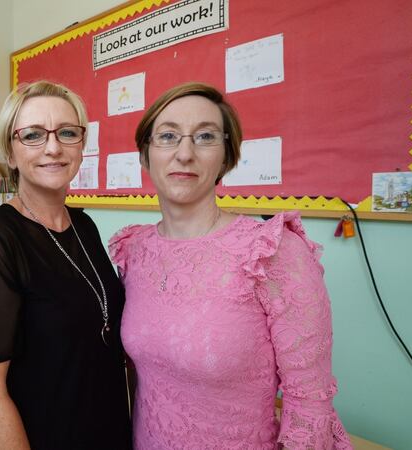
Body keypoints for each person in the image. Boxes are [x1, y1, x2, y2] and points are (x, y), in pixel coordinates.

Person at [108, 82, 352, 450]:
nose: (184, 153)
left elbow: (309, 404)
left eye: (205, 136)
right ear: (145, 156)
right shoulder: (135, 249)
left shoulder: (272, 252)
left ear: (226, 157)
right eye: (168, 136)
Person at [0, 81, 132, 450]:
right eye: (33, 135)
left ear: (82, 146)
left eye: (67, 133)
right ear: (11, 154)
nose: (53, 147)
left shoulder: (83, 225)